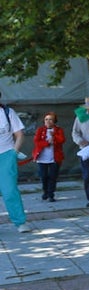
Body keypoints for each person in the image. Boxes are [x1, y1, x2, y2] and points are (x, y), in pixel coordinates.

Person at [0, 91, 33, 233]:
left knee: (9, 190)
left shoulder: (7, 112)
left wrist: (14, 152)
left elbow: (19, 134)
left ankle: (20, 222)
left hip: (7, 155)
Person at [33, 112, 66, 202]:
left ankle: (51, 194)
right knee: (43, 176)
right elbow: (36, 141)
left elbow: (62, 140)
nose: (48, 121)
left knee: (53, 176)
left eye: (50, 119)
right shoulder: (40, 130)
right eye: (46, 119)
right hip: (42, 158)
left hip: (55, 158)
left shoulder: (58, 130)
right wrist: (47, 143)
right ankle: (45, 191)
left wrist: (54, 137)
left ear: (54, 121)